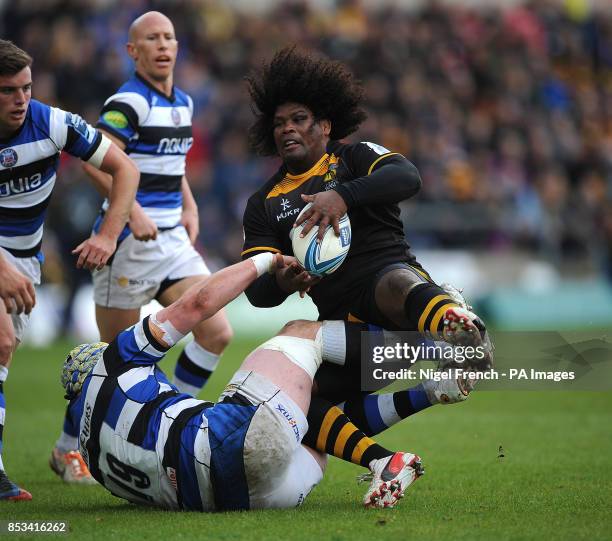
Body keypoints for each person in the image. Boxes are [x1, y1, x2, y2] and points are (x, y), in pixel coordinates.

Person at [242, 47, 493, 464]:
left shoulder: (354, 158)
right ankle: (388, 461)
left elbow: (407, 177)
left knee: (390, 280)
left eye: (299, 119)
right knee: (298, 397)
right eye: (279, 123)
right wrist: (284, 280)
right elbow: (257, 293)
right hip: (360, 341)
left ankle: (453, 325)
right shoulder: (264, 203)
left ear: (324, 125)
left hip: (400, 303)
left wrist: (342, 195)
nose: (287, 129)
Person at [60, 252, 423, 511]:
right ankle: (428, 345)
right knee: (300, 332)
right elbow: (197, 304)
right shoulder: (112, 359)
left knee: (312, 425)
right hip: (228, 441)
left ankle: (420, 410)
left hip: (238, 499)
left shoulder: (91, 456)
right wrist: (265, 261)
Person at [50, 11, 233, 484]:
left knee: (217, 333)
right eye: (151, 38)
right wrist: (130, 211)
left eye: (169, 37)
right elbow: (95, 162)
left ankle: (166, 419)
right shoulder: (127, 102)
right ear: (132, 51)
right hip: (129, 242)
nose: (163, 44)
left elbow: (171, 165)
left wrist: (188, 204)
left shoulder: (185, 101)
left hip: (172, 239)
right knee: (115, 362)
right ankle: (69, 448)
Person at [0, 39, 139, 501]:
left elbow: (124, 170)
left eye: (26, 88)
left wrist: (107, 233)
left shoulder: (51, 122)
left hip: (24, 260)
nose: (20, 99)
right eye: (7, 91)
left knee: (2, 357)